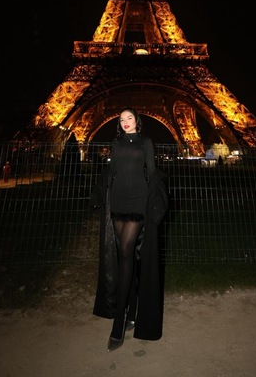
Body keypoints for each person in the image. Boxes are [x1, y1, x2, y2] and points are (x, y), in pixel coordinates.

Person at [90, 107, 169, 352]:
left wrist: (158, 201)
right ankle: (132, 311)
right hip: (118, 202)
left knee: (126, 252)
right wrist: (100, 191)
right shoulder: (116, 143)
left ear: (137, 121)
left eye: (129, 118)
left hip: (137, 203)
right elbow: (112, 171)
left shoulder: (146, 143)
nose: (125, 122)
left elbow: (152, 173)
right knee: (126, 257)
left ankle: (119, 322)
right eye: (121, 119)